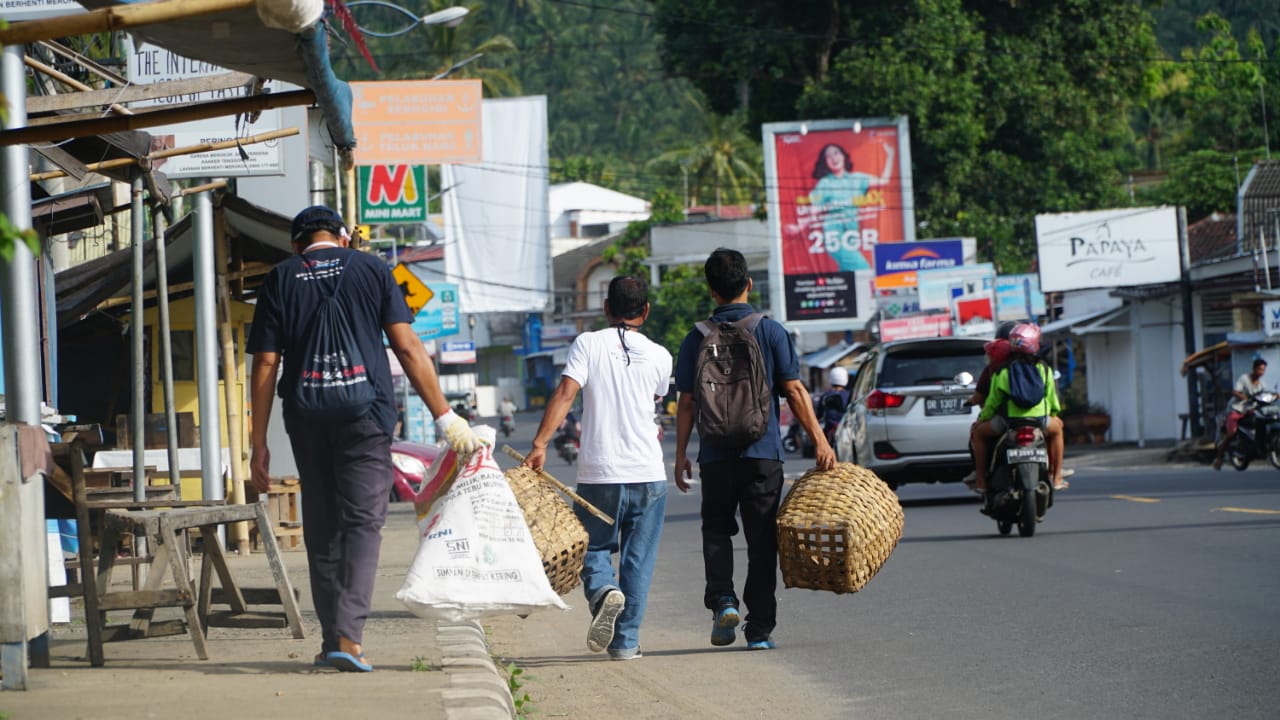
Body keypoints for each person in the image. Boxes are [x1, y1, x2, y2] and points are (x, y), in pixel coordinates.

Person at [248, 205, 482, 673]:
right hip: (365, 416)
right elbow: (407, 347)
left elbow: (266, 365)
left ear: (297, 244)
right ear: (342, 237)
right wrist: (445, 416)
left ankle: (333, 637)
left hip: (307, 416)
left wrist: (258, 443)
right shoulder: (373, 269)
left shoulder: (280, 278)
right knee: (362, 523)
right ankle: (349, 638)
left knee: (321, 526)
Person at [674, 248, 836, 651]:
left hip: (715, 455)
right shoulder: (770, 331)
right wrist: (820, 440)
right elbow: (794, 390)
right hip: (763, 453)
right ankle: (759, 630)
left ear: (711, 290)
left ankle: (723, 600)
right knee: (761, 538)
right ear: (748, 284)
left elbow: (688, 402)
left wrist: (680, 455)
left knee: (716, 530)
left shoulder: (695, 337)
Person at [521, 276, 673, 661]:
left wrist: (539, 445)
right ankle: (625, 644)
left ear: (606, 308)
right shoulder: (660, 354)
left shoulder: (587, 343)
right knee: (639, 560)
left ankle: (604, 590)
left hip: (601, 472)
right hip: (649, 472)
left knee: (593, 547)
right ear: (647, 310)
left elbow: (566, 394)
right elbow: (655, 396)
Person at [971, 323, 1066, 496]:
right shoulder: (1043, 368)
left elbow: (992, 402)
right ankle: (1057, 476)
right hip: (1039, 421)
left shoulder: (1002, 371)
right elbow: (1052, 399)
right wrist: (1053, 415)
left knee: (978, 433)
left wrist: (983, 419)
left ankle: (981, 481)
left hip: (1007, 423)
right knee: (1058, 430)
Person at [805, 141, 895, 272]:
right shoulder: (825, 183)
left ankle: (840, 291)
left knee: (848, 276)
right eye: (829, 156)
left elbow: (884, 181)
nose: (834, 158)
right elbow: (814, 210)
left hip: (852, 233)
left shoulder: (857, 179)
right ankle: (872, 292)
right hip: (834, 234)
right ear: (825, 162)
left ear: (843, 156)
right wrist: (800, 226)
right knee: (863, 269)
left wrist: (891, 155)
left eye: (836, 153)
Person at [1214, 357, 1269, 470]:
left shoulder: (1261, 384)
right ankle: (1219, 457)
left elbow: (1264, 395)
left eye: (1263, 370)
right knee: (1231, 433)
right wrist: (1244, 397)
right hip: (1236, 409)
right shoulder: (1244, 379)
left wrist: (1274, 396)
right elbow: (1235, 391)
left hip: (1249, 411)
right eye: (1259, 369)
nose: (1261, 372)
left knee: (1261, 421)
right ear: (1254, 369)